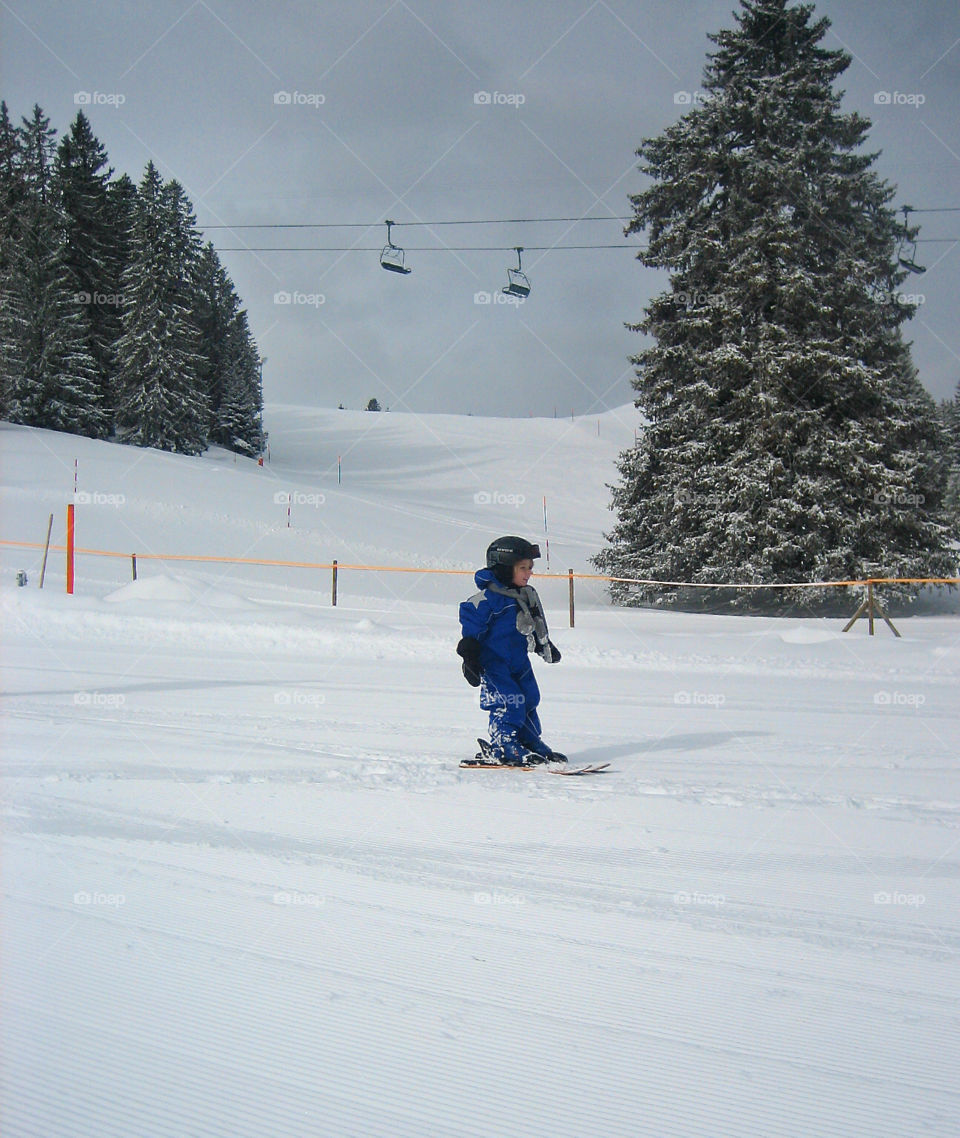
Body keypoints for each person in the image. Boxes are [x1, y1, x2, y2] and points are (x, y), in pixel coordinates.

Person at [457, 536, 565, 765]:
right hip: (494, 663)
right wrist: (470, 656)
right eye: (522, 568)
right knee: (509, 702)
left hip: (518, 659)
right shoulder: (486, 600)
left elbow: (534, 621)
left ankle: (527, 739)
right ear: (505, 568)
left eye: (530, 568)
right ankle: (504, 743)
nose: (529, 573)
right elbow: (471, 629)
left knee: (530, 697)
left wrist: (544, 645)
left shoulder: (524, 595)